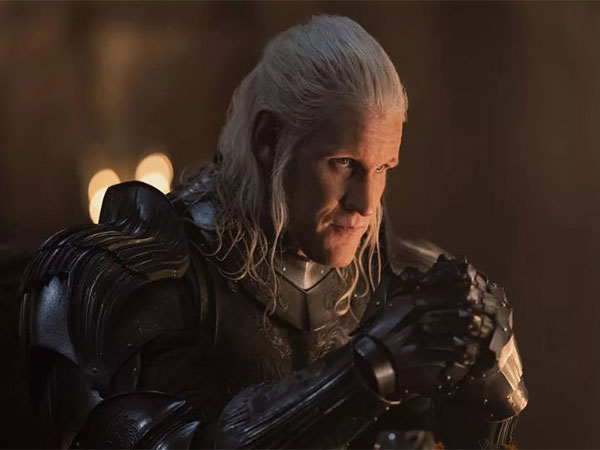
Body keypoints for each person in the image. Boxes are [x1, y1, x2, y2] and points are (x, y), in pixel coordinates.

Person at [20, 15, 527, 449]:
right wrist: (371, 368)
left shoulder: (399, 279)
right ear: (268, 139)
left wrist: (485, 392)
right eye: (344, 163)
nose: (366, 203)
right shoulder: (136, 272)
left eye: (383, 167)